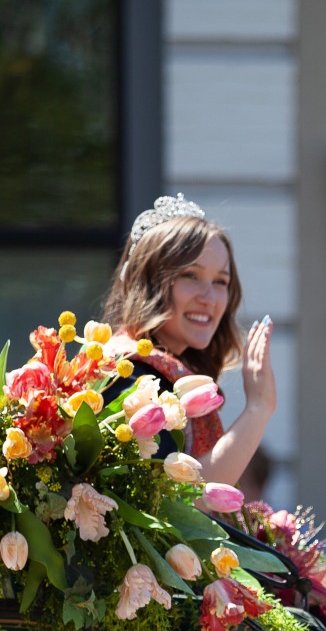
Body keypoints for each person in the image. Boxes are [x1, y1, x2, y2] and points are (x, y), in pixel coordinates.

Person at [102, 193, 276, 487]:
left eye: (220, 282)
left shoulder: (171, 373)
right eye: (191, 276)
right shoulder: (131, 375)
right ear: (149, 283)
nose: (209, 298)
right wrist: (259, 407)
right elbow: (187, 502)